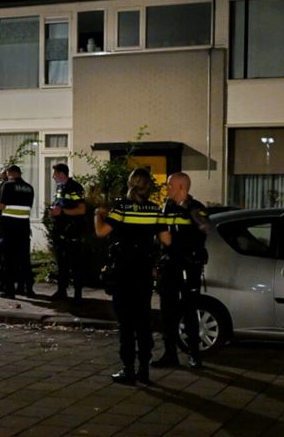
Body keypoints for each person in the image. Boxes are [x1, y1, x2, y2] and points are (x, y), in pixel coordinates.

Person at [94, 168, 161, 385]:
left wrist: (98, 215)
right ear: (148, 186)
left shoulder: (121, 207)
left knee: (126, 323)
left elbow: (101, 232)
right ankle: (144, 369)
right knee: (143, 321)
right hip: (143, 273)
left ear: (130, 184)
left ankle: (128, 369)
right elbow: (165, 239)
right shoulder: (154, 209)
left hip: (123, 273)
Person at [153, 172, 210, 369]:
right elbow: (160, 236)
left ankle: (194, 354)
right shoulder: (166, 207)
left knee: (189, 311)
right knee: (167, 312)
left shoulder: (195, 208)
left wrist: (177, 239)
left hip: (188, 267)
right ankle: (170, 354)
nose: (166, 189)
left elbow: (205, 230)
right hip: (169, 267)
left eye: (169, 186)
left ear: (181, 188)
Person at [0, 165, 35, 299]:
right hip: (24, 227)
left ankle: (10, 291)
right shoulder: (29, 187)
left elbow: (3, 205)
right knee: (24, 260)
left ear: (10, 173)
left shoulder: (8, 186)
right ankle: (29, 290)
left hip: (9, 227)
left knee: (8, 260)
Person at [48, 162, 87, 302]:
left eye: (55, 174)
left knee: (75, 264)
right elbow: (60, 204)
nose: (53, 177)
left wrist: (63, 212)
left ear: (61, 174)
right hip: (61, 230)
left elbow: (81, 209)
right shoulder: (60, 187)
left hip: (73, 231)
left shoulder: (75, 187)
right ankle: (61, 291)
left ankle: (77, 294)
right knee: (62, 264)